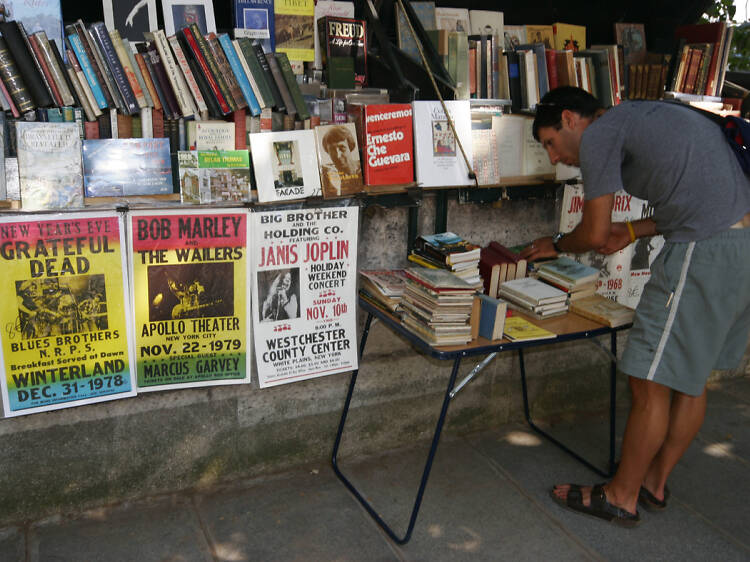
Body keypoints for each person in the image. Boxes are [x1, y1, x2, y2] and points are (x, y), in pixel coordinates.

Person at [520, 86, 750, 527]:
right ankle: (653, 483)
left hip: (705, 249)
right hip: (740, 242)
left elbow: (591, 232)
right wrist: (633, 232)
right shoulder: (642, 116)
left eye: (550, 142)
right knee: (692, 377)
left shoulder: (601, 134)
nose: (553, 157)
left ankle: (621, 496)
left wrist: (556, 244)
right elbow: (693, 191)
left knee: (647, 377)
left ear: (571, 118)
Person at [320, 126, 362, 196]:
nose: (338, 155)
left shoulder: (363, 168)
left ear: (350, 147)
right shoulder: (326, 174)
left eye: (342, 148)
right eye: (332, 150)